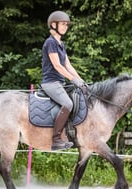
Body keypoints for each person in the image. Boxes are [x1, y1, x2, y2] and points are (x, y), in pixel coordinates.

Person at [41, 11, 85, 150]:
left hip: (60, 83)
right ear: (54, 25)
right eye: (63, 24)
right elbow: (57, 66)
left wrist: (80, 80)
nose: (66, 27)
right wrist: (73, 79)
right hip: (50, 82)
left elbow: (67, 65)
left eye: (67, 24)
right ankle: (56, 139)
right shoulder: (50, 42)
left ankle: (70, 134)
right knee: (67, 103)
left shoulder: (61, 44)